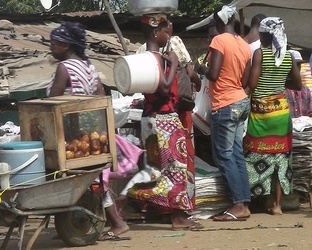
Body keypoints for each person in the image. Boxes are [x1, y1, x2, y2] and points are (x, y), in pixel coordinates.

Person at [47, 21, 130, 240]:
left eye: (54, 44)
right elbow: (101, 97)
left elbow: (51, 102)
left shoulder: (64, 67)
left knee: (80, 178)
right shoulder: (89, 66)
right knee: (90, 179)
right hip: (91, 133)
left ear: (66, 45)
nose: (51, 48)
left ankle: (118, 223)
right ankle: (71, 222)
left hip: (70, 135)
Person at [124, 13, 202, 230]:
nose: (167, 36)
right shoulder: (157, 58)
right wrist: (175, 62)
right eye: (165, 32)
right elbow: (165, 87)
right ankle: (177, 217)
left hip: (151, 118)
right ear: (155, 32)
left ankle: (128, 200)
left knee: (156, 170)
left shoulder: (145, 57)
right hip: (165, 119)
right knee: (176, 168)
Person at [197, 5, 252, 221]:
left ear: (219, 21)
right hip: (241, 100)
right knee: (236, 154)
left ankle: (238, 204)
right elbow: (245, 81)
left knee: (224, 155)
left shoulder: (219, 40)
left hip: (225, 104)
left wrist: (201, 68)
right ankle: (244, 202)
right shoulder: (244, 44)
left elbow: (213, 74)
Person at [244, 17, 302, 215]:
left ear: (262, 35)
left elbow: (252, 84)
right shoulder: (288, 56)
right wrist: (279, 83)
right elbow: (298, 85)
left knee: (254, 155)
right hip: (281, 113)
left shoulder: (260, 54)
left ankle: (253, 202)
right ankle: (277, 205)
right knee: (280, 159)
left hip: (261, 114)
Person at [284, 50, 312, 118]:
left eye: (298, 65)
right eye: (293, 65)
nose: (296, 69)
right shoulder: (280, 89)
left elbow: (310, 112)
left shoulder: (305, 90)